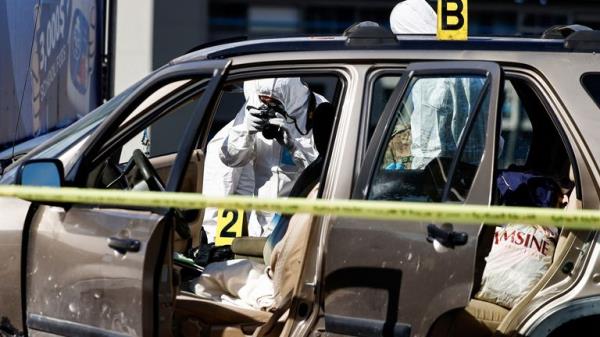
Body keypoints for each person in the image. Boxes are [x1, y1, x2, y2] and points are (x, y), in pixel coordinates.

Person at [220, 78, 323, 237]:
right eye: (265, 102)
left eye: (275, 104)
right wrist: (245, 131)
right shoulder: (255, 103)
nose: (269, 108)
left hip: (300, 225)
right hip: (260, 225)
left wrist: (294, 147)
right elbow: (231, 159)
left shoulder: (320, 111)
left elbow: (327, 174)